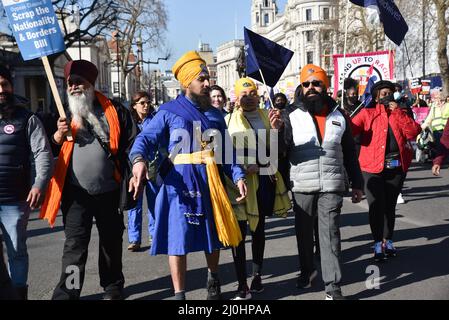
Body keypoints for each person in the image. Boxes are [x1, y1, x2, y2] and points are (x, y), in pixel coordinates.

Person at [128, 51, 247, 300]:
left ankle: (213, 278)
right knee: (177, 240)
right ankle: (179, 294)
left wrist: (237, 175)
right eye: (201, 79)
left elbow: (226, 152)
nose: (207, 84)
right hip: (177, 186)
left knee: (212, 237)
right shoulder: (168, 111)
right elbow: (144, 139)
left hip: (210, 183)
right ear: (186, 82)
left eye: (208, 78)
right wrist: (138, 161)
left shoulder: (216, 115)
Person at [40, 60, 137, 300]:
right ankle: (69, 291)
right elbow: (44, 147)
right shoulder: (60, 113)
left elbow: (133, 143)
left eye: (79, 82)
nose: (73, 87)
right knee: (75, 247)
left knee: (111, 242)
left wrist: (137, 168)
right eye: (70, 83)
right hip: (75, 195)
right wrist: (57, 135)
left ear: (91, 85)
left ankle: (113, 287)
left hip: (109, 190)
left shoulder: (115, 111)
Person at [280, 64, 364, 300]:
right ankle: (308, 271)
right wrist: (276, 132)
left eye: (316, 83)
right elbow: (279, 152)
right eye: (306, 84)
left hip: (332, 185)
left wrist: (357, 183)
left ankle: (333, 286)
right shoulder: (290, 114)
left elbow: (349, 152)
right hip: (302, 186)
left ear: (325, 86)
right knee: (304, 234)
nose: (311, 88)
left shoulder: (340, 116)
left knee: (330, 234)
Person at [224, 78, 290, 300]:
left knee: (259, 231)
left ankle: (257, 276)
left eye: (252, 93)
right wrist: (242, 169)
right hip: (237, 186)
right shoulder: (227, 121)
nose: (248, 97)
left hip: (263, 182)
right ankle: (242, 284)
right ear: (236, 97)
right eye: (243, 94)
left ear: (258, 95)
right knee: (239, 235)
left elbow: (279, 153)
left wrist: (276, 131)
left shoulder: (268, 117)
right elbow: (224, 154)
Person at [351, 80, 421, 262]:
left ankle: (387, 240)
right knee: (376, 206)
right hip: (371, 168)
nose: (387, 96)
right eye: (383, 94)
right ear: (375, 97)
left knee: (389, 206)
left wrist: (397, 111)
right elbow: (351, 129)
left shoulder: (400, 112)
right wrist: (344, 119)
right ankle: (376, 243)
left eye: (390, 93)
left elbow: (413, 131)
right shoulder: (367, 113)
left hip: (395, 168)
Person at [0, 65, 54, 300]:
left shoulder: (27, 118)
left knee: (16, 251)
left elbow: (42, 152)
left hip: (14, 199)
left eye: (4, 84)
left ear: (11, 86)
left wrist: (39, 183)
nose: (1, 89)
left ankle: (18, 294)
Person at [127, 91, 158, 252]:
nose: (146, 106)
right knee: (135, 204)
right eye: (142, 103)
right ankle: (134, 239)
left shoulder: (155, 120)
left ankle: (154, 235)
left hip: (153, 167)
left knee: (153, 203)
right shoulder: (129, 122)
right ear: (134, 105)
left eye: (148, 103)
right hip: (135, 169)